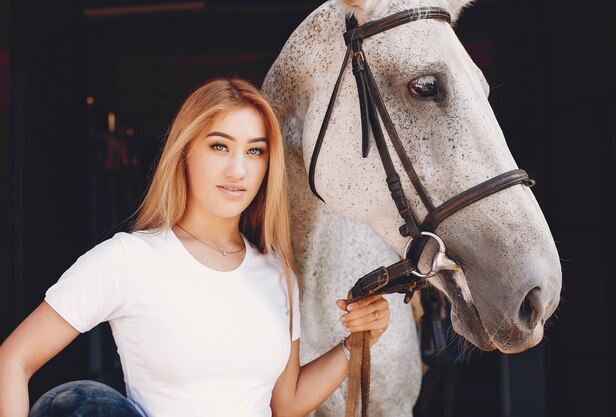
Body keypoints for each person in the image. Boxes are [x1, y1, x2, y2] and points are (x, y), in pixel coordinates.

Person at [0, 78, 390, 417]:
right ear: (186, 151)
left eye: (255, 151)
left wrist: (357, 342)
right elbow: (12, 360)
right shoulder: (128, 260)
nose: (238, 170)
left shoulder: (276, 273)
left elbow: (285, 404)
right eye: (220, 146)